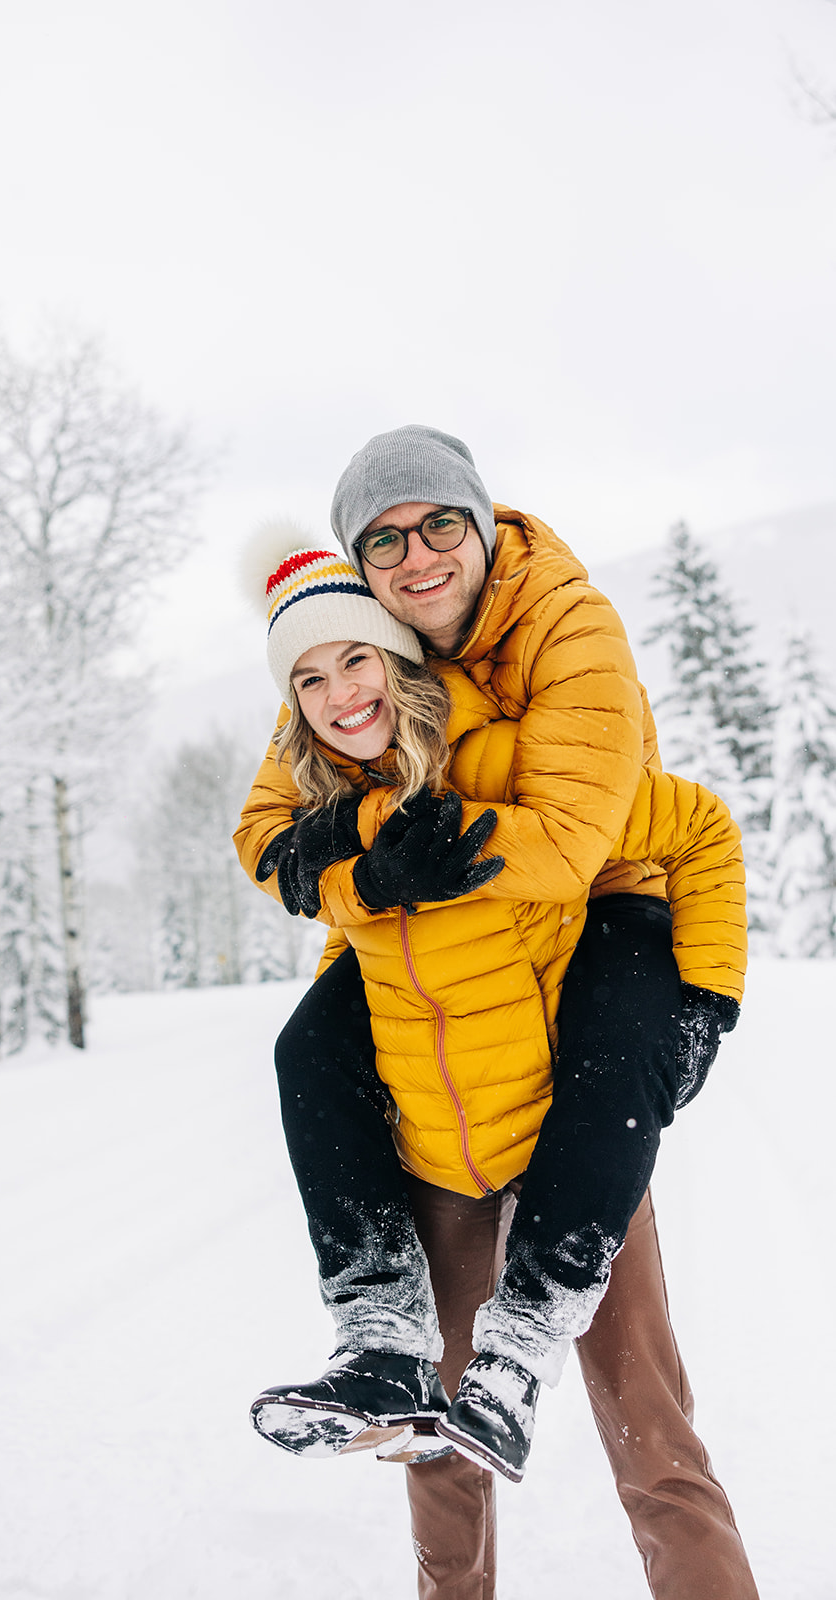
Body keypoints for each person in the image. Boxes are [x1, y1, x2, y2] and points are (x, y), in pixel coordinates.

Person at [234, 426, 759, 1600]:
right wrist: (355, 869)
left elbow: (613, 835)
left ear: (478, 527)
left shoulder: (549, 654)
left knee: (649, 1430)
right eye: (383, 539)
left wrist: (705, 998)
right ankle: (380, 1335)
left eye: (436, 527)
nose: (415, 556)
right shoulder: (348, 682)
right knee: (439, 1444)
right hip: (435, 1118)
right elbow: (273, 831)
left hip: (577, 1022)